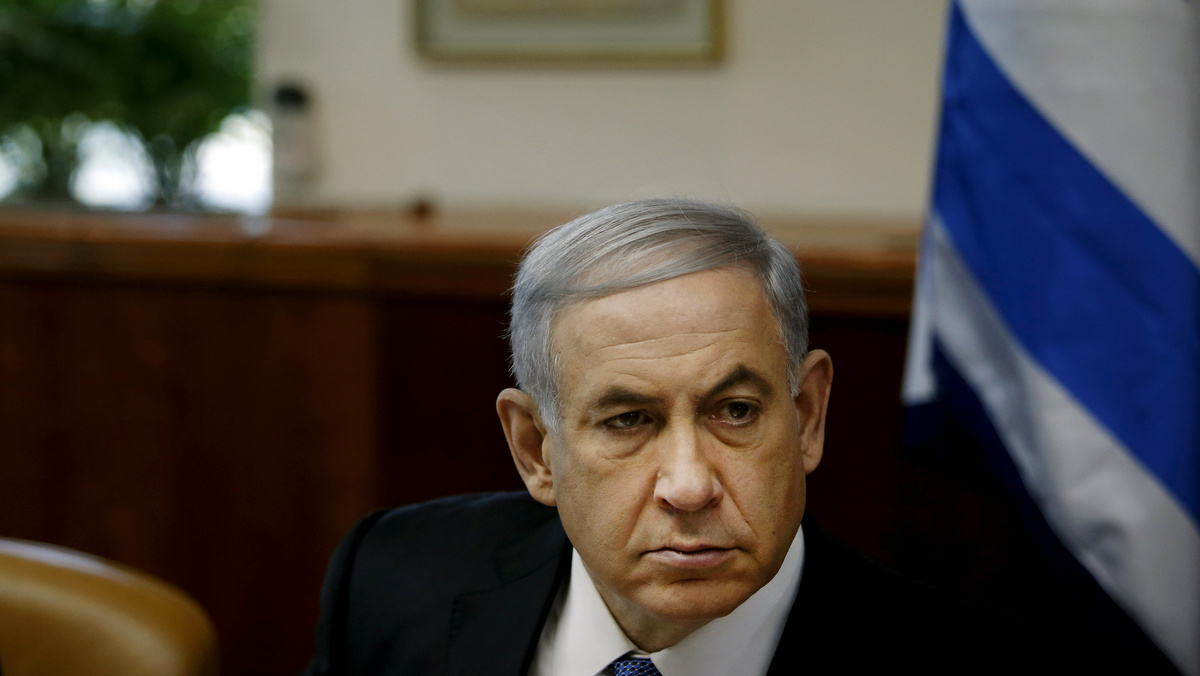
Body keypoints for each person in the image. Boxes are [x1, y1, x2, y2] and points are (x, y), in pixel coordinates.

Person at [303, 199, 996, 676]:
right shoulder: (392, 580)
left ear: (808, 415)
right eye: (628, 421)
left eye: (735, 411)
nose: (690, 486)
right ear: (536, 450)